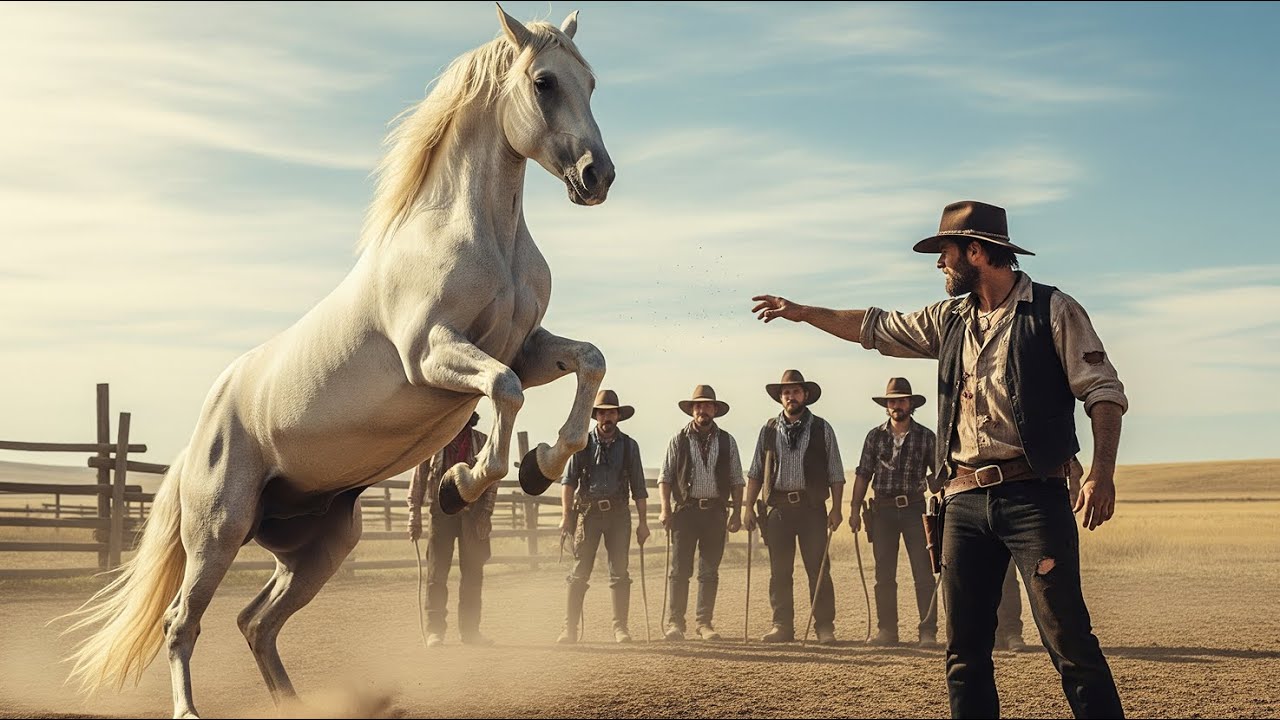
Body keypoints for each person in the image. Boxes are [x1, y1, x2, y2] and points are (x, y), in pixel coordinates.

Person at [751, 200, 1127, 718]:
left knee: (1068, 639)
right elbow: (875, 328)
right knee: (964, 652)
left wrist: (1102, 472)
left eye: (945, 252)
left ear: (976, 252)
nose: (939, 263)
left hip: (1033, 495)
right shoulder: (949, 319)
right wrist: (803, 313)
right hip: (963, 501)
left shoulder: (1051, 310)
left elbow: (1103, 392)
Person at [743, 369, 845, 645]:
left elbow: (836, 472)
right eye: (786, 392)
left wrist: (836, 508)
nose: (791, 396)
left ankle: (824, 627)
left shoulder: (822, 428)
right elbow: (755, 472)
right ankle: (782, 626)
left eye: (796, 391)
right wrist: (748, 507)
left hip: (812, 508)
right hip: (778, 510)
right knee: (780, 571)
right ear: (780, 397)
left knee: (818, 569)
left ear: (806, 395)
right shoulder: (768, 430)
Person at [849, 377, 940, 648]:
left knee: (923, 573)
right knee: (884, 575)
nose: (896, 405)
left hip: (915, 509)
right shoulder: (874, 436)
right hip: (883, 511)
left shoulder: (926, 436)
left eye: (901, 400)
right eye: (892, 401)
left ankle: (927, 632)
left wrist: (941, 486)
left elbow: (938, 475)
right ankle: (887, 631)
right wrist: (854, 508)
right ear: (886, 405)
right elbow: (863, 474)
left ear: (910, 404)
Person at [557, 389, 650, 644]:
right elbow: (568, 482)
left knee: (620, 571)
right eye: (602, 413)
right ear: (596, 416)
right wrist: (566, 516)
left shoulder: (630, 446)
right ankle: (569, 629)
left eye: (611, 413)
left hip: (619, 515)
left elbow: (639, 488)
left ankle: (620, 628)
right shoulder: (581, 444)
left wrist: (643, 523)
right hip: (588, 515)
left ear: (618, 415)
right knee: (579, 571)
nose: (606, 417)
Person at [658, 385, 745, 641]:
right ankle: (676, 623)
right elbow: (665, 477)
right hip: (685, 513)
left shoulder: (727, 441)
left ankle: (704, 623)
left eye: (707, 406)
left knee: (709, 571)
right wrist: (665, 509)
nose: (702, 410)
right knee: (679, 570)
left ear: (715, 410)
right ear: (691, 410)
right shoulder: (678, 440)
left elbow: (736, 479)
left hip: (715, 512)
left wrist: (736, 513)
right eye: (698, 406)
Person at [408, 412, 497, 647]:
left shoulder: (482, 441)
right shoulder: (435, 440)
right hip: (441, 513)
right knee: (436, 574)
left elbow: (491, 478)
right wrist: (414, 513)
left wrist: (486, 513)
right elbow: (420, 475)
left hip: (473, 514)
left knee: (473, 575)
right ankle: (435, 631)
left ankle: (470, 632)